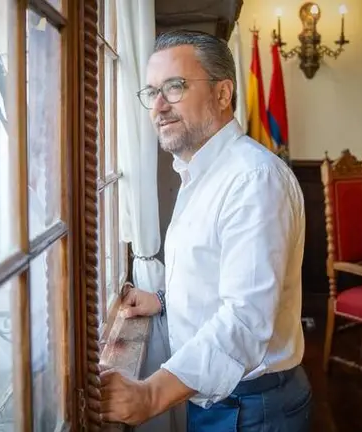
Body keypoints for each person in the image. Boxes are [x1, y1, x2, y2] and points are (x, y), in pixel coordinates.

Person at [100, 30, 310, 431]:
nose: (158, 106)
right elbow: (215, 271)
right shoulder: (201, 172)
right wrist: (163, 300)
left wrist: (150, 395)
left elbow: (245, 320)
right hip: (218, 400)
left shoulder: (253, 179)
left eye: (175, 87)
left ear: (223, 93)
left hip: (251, 410)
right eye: (152, 92)